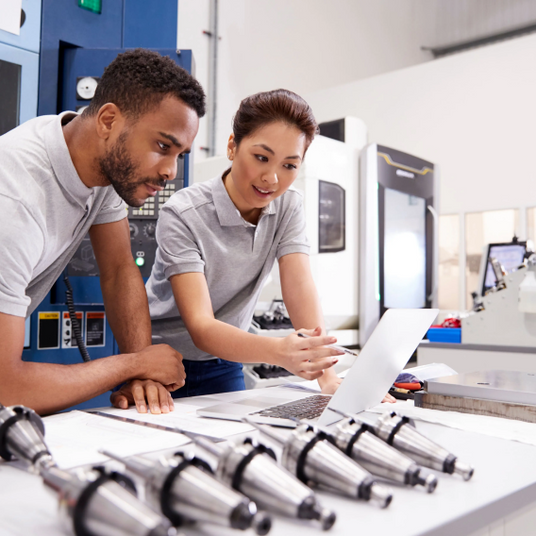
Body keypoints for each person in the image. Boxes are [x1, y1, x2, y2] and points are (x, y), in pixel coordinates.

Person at [0, 49, 206, 415]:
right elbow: (6, 388)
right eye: (162, 146)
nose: (171, 172)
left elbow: (118, 269)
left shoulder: (101, 165)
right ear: (108, 120)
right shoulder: (14, 201)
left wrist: (143, 373)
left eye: (180, 155)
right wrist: (134, 365)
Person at [144, 89, 353, 398]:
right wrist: (279, 351)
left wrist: (328, 378)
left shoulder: (288, 206)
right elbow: (201, 326)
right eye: (261, 158)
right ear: (232, 146)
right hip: (161, 362)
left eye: (289, 165)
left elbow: (299, 288)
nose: (272, 178)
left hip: (226, 359)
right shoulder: (184, 213)